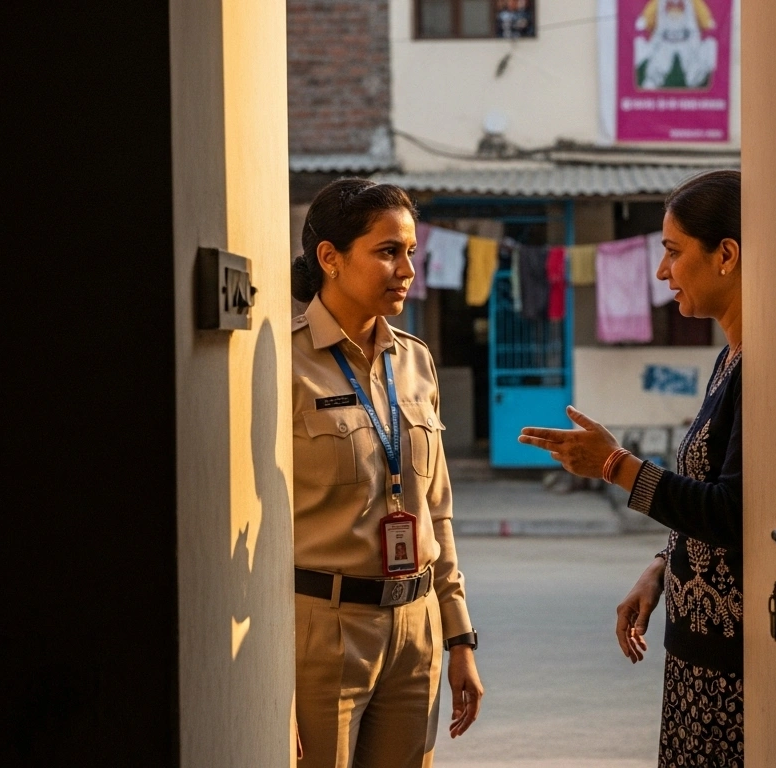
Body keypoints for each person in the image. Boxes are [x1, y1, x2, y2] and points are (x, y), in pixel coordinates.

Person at [518, 170, 743, 767]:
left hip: (737, 669)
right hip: (699, 651)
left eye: (672, 252)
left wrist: (614, 465)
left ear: (726, 255)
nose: (661, 271)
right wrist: (662, 567)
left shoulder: (763, 369)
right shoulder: (729, 358)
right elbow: (705, 490)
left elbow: (734, 510)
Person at [290, 178, 483, 768]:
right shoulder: (282, 364)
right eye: (387, 251)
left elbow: (437, 510)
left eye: (411, 253)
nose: (407, 270)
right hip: (325, 632)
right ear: (330, 258)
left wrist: (459, 638)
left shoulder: (416, 360)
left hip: (415, 627)